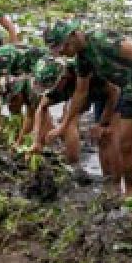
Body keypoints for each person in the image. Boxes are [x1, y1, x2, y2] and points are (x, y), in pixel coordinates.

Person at [44, 21, 132, 211]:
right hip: (128, 91)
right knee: (124, 144)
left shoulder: (101, 40)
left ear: (73, 35)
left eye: (63, 47)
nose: (63, 52)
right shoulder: (83, 59)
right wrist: (63, 126)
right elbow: (80, 94)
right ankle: (131, 192)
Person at [30, 56, 121, 185]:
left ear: (63, 78)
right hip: (88, 93)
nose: (52, 90)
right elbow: (41, 108)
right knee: (70, 120)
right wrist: (36, 141)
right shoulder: (57, 82)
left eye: (52, 85)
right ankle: (104, 179)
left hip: (114, 91)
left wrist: (102, 123)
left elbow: (115, 93)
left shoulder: (88, 72)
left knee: (107, 136)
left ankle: (115, 184)